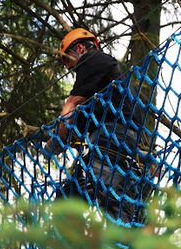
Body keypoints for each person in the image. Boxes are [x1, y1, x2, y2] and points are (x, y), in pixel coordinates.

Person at [49, 28, 149, 225]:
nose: (69, 68)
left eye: (68, 60)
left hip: (112, 135)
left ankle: (121, 240)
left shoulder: (92, 60)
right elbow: (78, 124)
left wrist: (56, 139)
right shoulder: (103, 82)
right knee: (71, 192)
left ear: (79, 48)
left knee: (109, 191)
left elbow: (73, 102)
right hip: (115, 136)